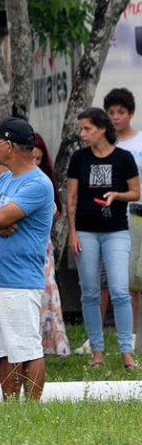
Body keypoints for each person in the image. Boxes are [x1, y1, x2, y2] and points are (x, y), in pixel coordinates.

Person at [0, 116, 54, 400]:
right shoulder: (5, 178)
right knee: (3, 350)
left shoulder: (37, 183)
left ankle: (30, 407)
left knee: (27, 349)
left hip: (18, 279)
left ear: (8, 144)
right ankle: (10, 407)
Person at [67, 107, 139, 369]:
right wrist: (72, 232)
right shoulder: (79, 159)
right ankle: (96, 351)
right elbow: (71, 198)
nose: (82, 134)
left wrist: (116, 196)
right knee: (89, 292)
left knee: (120, 290)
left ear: (102, 129)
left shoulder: (124, 158)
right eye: (81, 128)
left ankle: (126, 352)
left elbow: (135, 192)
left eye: (87, 128)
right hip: (86, 231)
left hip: (116, 231)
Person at [106, 88, 142, 349]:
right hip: (117, 216)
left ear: (130, 113)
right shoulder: (108, 146)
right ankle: (127, 335)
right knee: (122, 279)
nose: (116, 117)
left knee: (137, 278)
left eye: (121, 112)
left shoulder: (139, 142)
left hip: (139, 212)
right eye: (111, 113)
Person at [31, 133, 70, 356]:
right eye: (32, 158)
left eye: (39, 158)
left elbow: (57, 211)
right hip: (30, 242)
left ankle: (51, 343)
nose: (35, 163)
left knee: (47, 290)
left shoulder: (45, 180)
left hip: (43, 244)